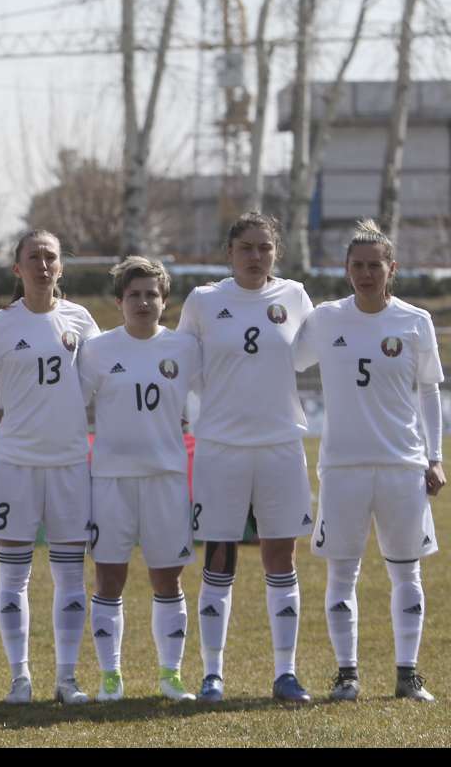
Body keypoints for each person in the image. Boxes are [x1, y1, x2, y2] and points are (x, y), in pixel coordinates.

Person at [293, 219, 443, 702]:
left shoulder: (414, 321)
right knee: (342, 573)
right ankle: (347, 674)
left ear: (391, 269)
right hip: (341, 468)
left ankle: (407, 673)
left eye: (374, 265)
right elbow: (284, 361)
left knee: (407, 572)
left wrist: (435, 457)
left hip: (402, 465)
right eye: (357, 265)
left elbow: (428, 391)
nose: (365, 273)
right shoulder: (325, 318)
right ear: (346, 269)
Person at [176, 213, 315, 703]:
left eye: (265, 248)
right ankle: (212, 673)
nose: (256, 257)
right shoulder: (204, 302)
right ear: (229, 252)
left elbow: (306, 357)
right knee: (219, 556)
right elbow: (184, 367)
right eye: (247, 248)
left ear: (275, 252)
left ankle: (286, 673)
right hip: (220, 449)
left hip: (280, 446)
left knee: (282, 555)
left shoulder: (295, 297)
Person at [0, 230, 99, 705]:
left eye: (51, 257)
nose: (43, 265)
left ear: (61, 266)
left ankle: (66, 678)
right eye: (33, 257)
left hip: (68, 465)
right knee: (13, 574)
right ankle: (19, 677)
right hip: (15, 464)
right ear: (17, 269)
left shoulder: (80, 320)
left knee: (70, 575)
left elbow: (100, 380)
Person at [78, 257, 200, 703]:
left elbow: (210, 397)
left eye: (152, 294)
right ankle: (111, 676)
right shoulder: (97, 350)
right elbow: (71, 405)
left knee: (168, 580)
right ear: (119, 302)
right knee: (110, 579)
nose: (144, 302)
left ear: (165, 302)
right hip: (111, 479)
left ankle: (171, 675)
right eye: (135, 294)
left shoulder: (185, 348)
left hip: (166, 478)